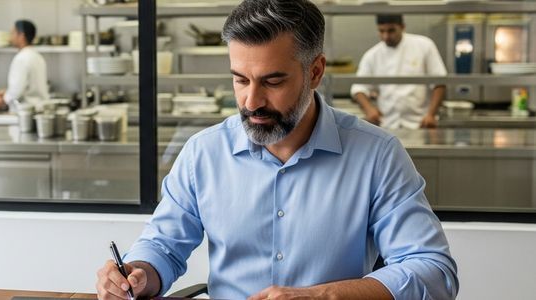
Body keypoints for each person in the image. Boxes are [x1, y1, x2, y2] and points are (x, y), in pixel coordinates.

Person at [95, 1, 458, 300]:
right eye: (240, 79)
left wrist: (322, 297)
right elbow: (163, 246)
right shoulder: (203, 154)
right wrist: (138, 272)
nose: (252, 101)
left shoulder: (378, 155)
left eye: (272, 81)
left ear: (315, 72)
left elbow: (433, 272)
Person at [351, 14, 448, 129]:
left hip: (420, 123)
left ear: (402, 27)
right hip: (387, 124)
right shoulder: (372, 55)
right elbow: (359, 89)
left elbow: (439, 82)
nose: (386, 36)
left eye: (391, 31)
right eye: (381, 31)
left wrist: (431, 114)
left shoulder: (424, 46)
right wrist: (369, 110)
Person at [0, 19, 49, 111]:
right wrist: (5, 93)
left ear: (21, 36)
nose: (11, 37)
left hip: (25, 111)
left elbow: (16, 90)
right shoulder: (38, 57)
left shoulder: (21, 58)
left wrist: (3, 100)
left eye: (13, 33)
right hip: (39, 109)